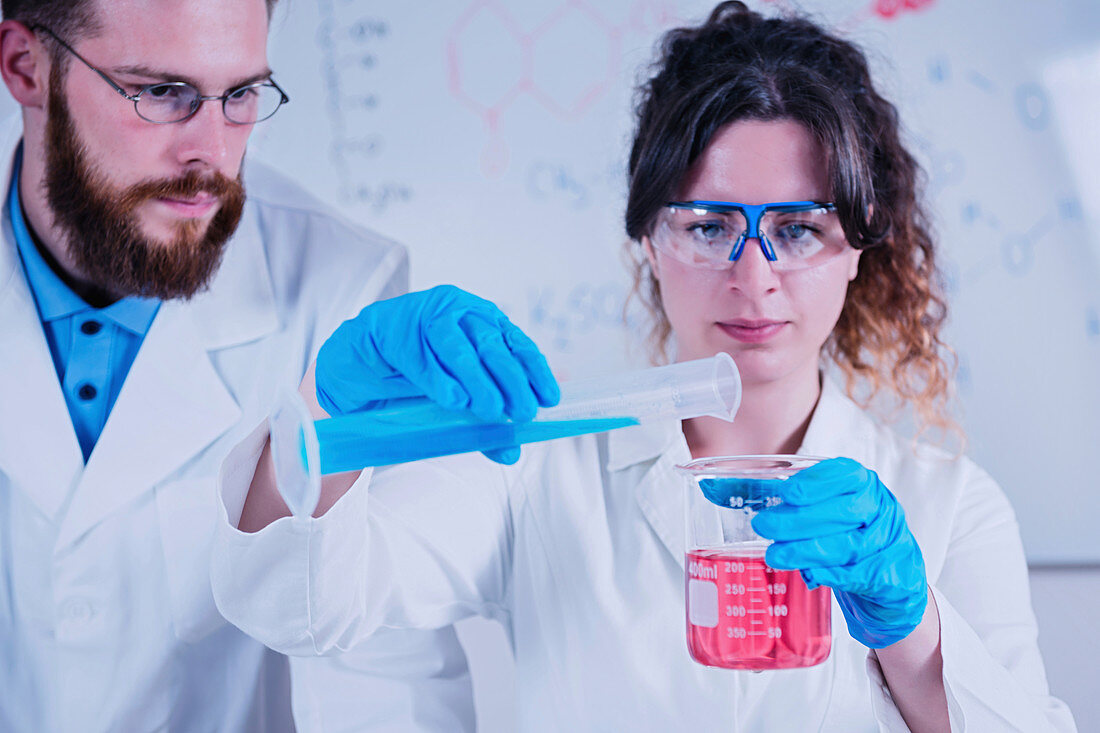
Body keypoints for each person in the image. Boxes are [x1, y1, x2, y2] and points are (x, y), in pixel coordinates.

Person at [211, 2, 1077, 731]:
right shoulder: (539, 471)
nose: (754, 273)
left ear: (859, 249)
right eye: (708, 225)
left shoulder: (951, 508)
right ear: (650, 239)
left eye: (799, 229)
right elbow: (299, 608)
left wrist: (914, 636)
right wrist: (328, 408)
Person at [0, 1, 482, 730]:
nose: (212, 155)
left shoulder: (341, 294)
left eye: (242, 95)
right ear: (25, 67)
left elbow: (386, 679)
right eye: (162, 93)